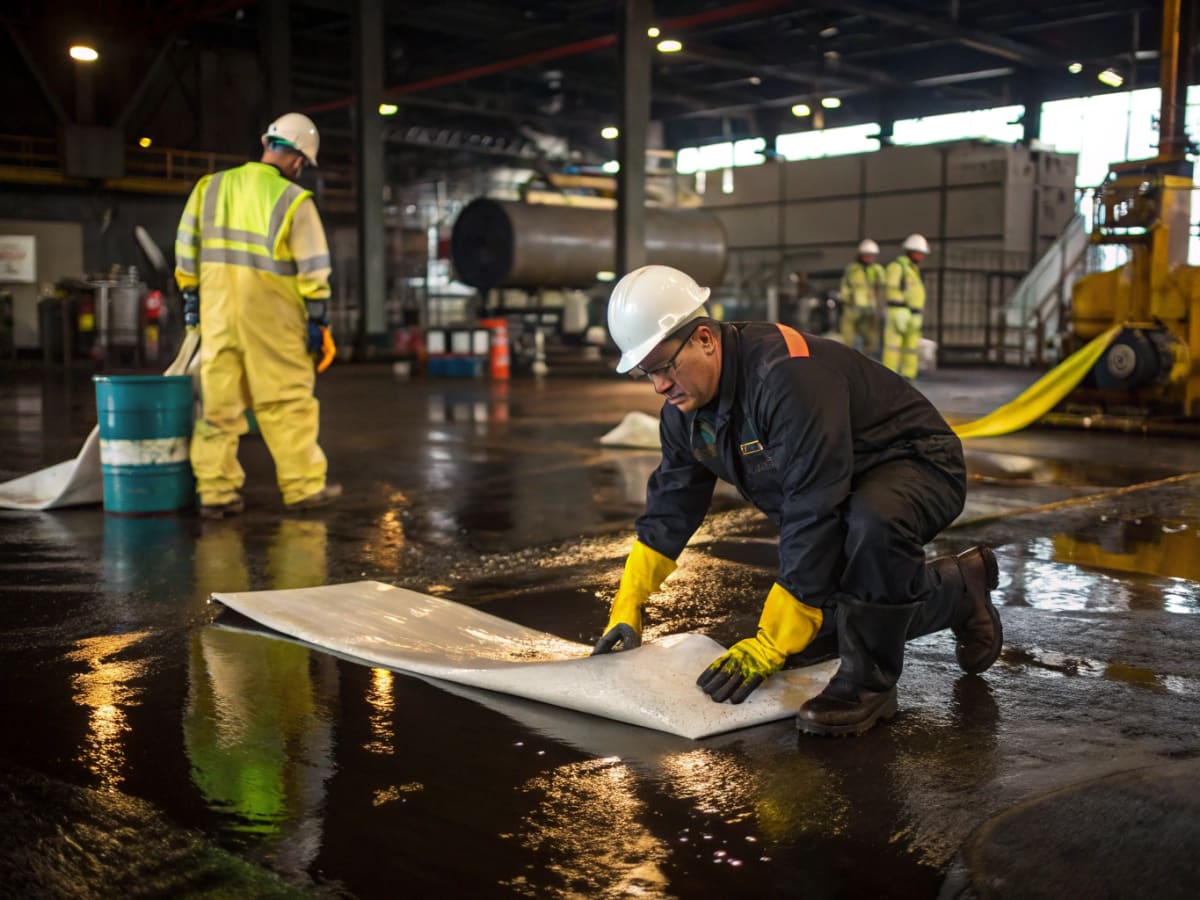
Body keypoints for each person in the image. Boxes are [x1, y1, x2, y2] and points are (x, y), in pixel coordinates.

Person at [594, 264, 1002, 737]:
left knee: (870, 524)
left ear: (704, 338)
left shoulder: (786, 375)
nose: (660, 385)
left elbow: (813, 504)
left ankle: (869, 685)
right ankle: (958, 591)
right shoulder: (685, 412)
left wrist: (772, 640)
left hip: (916, 463)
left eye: (665, 366)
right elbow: (672, 504)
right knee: (828, 624)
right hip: (841, 483)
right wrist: (629, 602)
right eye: (649, 373)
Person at [175, 112, 341, 519]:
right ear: (298, 159)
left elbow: (185, 248)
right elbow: (313, 267)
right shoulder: (293, 200)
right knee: (286, 403)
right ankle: (303, 488)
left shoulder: (209, 187)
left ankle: (216, 493)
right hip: (273, 319)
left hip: (217, 316)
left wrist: (192, 296)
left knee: (218, 408)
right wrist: (318, 317)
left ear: (267, 142)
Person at [882, 233, 930, 379]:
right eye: (919, 253)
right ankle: (888, 376)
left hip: (913, 313)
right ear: (911, 252)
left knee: (911, 347)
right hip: (899, 311)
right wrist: (899, 306)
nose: (921, 257)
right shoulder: (897, 267)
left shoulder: (913, 270)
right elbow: (891, 288)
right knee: (893, 346)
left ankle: (909, 374)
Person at [839, 239, 885, 356]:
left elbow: (883, 287)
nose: (869, 258)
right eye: (867, 256)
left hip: (869, 310)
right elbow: (845, 286)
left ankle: (866, 361)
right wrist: (847, 299)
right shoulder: (852, 269)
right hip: (852, 309)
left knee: (871, 340)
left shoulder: (877, 270)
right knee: (847, 340)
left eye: (872, 256)